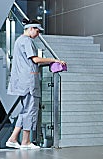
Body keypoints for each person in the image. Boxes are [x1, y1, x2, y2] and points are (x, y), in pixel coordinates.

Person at [5, 19, 66, 150]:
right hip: (29, 82)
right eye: (37, 31)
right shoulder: (27, 41)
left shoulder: (19, 41)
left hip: (22, 81)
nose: (38, 34)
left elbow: (32, 62)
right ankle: (25, 142)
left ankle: (13, 138)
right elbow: (35, 59)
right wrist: (54, 59)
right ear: (31, 28)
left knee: (25, 110)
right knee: (31, 111)